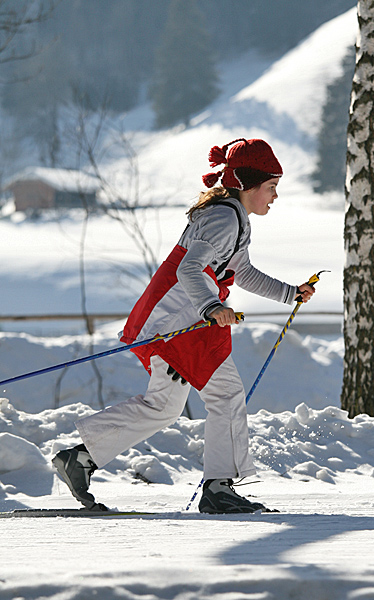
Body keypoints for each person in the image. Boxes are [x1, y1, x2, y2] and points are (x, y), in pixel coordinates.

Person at [53, 138, 315, 514]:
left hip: (182, 319)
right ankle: (218, 487)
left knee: (164, 406)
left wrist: (290, 292)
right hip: (178, 321)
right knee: (225, 395)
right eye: (271, 187)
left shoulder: (235, 219)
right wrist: (211, 306)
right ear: (247, 183)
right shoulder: (224, 218)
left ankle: (80, 459)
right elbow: (188, 268)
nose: (275, 196)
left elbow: (242, 273)